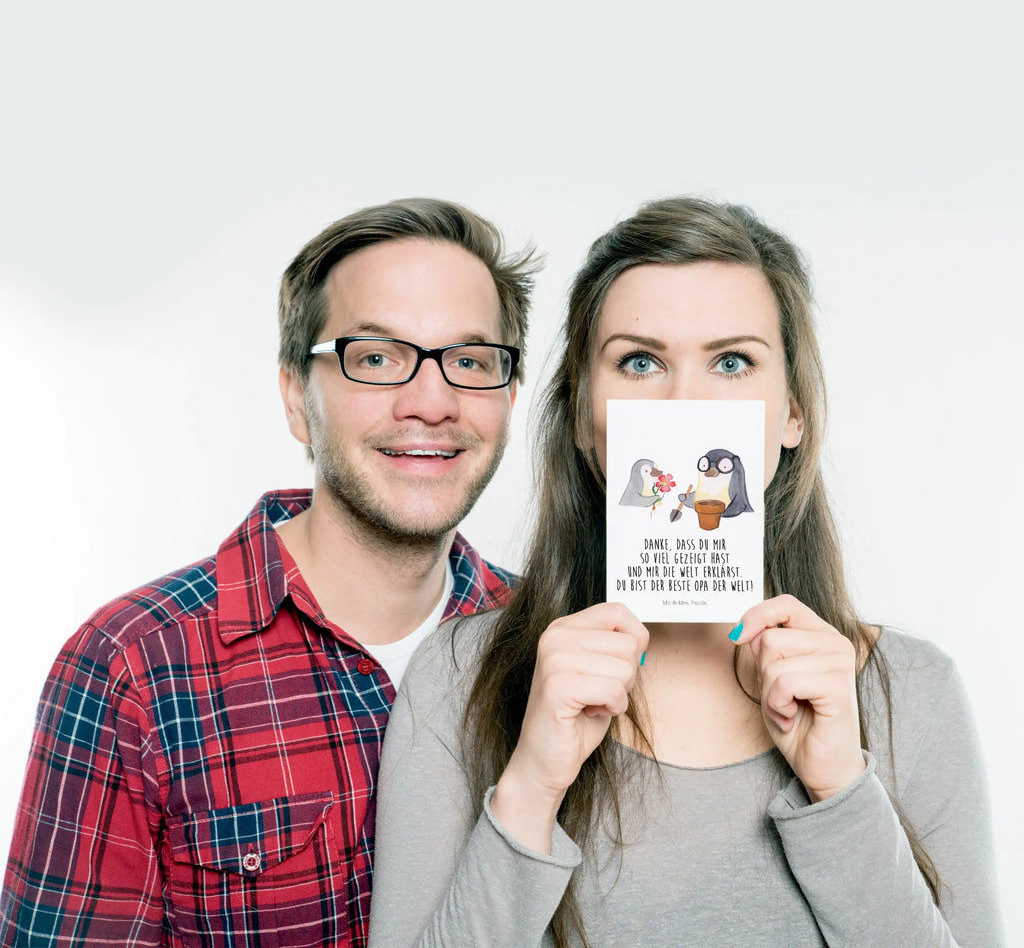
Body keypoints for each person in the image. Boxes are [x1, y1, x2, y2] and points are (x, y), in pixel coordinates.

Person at [367, 197, 1005, 947]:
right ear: (581, 414)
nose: (685, 403)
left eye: (732, 362)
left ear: (792, 413)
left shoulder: (912, 693)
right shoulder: (458, 678)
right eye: (640, 362)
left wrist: (841, 791)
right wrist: (531, 785)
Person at [0, 198, 538, 948]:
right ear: (296, 397)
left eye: (471, 362)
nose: (432, 402)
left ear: (509, 398)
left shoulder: (546, 640)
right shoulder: (130, 668)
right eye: (376, 358)